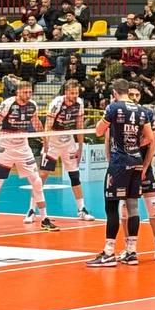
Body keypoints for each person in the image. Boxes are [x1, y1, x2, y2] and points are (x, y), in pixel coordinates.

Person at [0, 80, 53, 233]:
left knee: (37, 181)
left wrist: (45, 141)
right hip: (6, 146)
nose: (28, 95)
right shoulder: (7, 104)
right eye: (25, 92)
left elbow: (37, 123)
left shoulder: (32, 105)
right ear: (18, 92)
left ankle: (45, 219)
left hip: (23, 146)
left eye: (30, 92)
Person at [87, 79, 148, 267]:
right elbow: (149, 137)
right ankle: (131, 252)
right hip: (136, 162)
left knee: (111, 207)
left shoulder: (113, 108)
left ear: (114, 92)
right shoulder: (142, 110)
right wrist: (133, 145)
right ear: (128, 91)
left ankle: (108, 253)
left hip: (119, 163)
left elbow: (99, 131)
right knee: (133, 206)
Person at [27, 79, 95, 223]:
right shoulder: (57, 103)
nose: (75, 95)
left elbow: (80, 126)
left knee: (75, 176)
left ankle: (82, 210)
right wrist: (45, 144)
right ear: (66, 92)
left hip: (68, 140)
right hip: (53, 140)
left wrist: (80, 147)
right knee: (42, 175)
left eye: (76, 93)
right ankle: (31, 210)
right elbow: (48, 124)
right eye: (72, 93)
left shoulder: (79, 103)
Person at [122, 83, 155, 262]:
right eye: (131, 95)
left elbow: (152, 144)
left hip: (143, 166)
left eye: (137, 95)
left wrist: (145, 167)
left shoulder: (147, 114)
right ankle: (128, 248)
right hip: (125, 168)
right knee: (125, 210)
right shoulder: (120, 114)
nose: (134, 98)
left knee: (153, 205)